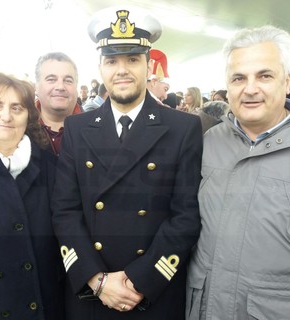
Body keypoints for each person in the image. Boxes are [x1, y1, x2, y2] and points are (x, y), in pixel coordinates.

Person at [52, 5, 203, 320]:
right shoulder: (77, 129)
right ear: (100, 68)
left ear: (149, 66)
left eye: (133, 59)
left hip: (152, 293)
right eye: (112, 61)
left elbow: (185, 217)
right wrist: (96, 279)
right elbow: (64, 211)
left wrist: (142, 279)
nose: (122, 70)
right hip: (91, 294)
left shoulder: (182, 128)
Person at [186, 25, 290, 320]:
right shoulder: (207, 143)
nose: (251, 88)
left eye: (265, 75)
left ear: (287, 82)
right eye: (239, 78)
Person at [0, 72, 65, 319]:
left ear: (28, 116)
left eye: (17, 107)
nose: (6, 116)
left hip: (44, 306)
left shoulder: (50, 167)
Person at [35, 52, 82, 156]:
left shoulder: (99, 129)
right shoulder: (19, 129)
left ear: (76, 87)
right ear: (36, 87)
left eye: (68, 80)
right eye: (51, 79)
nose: (60, 87)